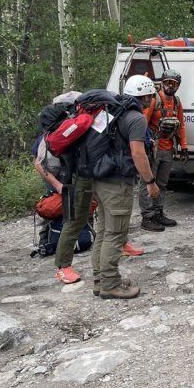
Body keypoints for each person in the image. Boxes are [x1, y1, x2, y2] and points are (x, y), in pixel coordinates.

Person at [75, 76, 160, 299]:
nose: (152, 99)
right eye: (151, 95)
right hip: (116, 183)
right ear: (147, 96)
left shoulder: (110, 113)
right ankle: (110, 284)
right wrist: (150, 182)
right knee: (116, 234)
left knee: (103, 232)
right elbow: (138, 153)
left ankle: (99, 279)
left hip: (98, 179)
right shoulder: (136, 118)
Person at [139, 70, 188, 231]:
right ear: (162, 83)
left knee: (162, 183)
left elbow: (181, 125)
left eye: (174, 83)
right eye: (168, 82)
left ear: (178, 86)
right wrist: (145, 144)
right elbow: (143, 122)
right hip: (153, 148)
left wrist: (184, 146)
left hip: (168, 148)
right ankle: (148, 217)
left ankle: (159, 213)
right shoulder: (155, 100)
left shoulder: (177, 102)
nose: (170, 86)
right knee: (148, 182)